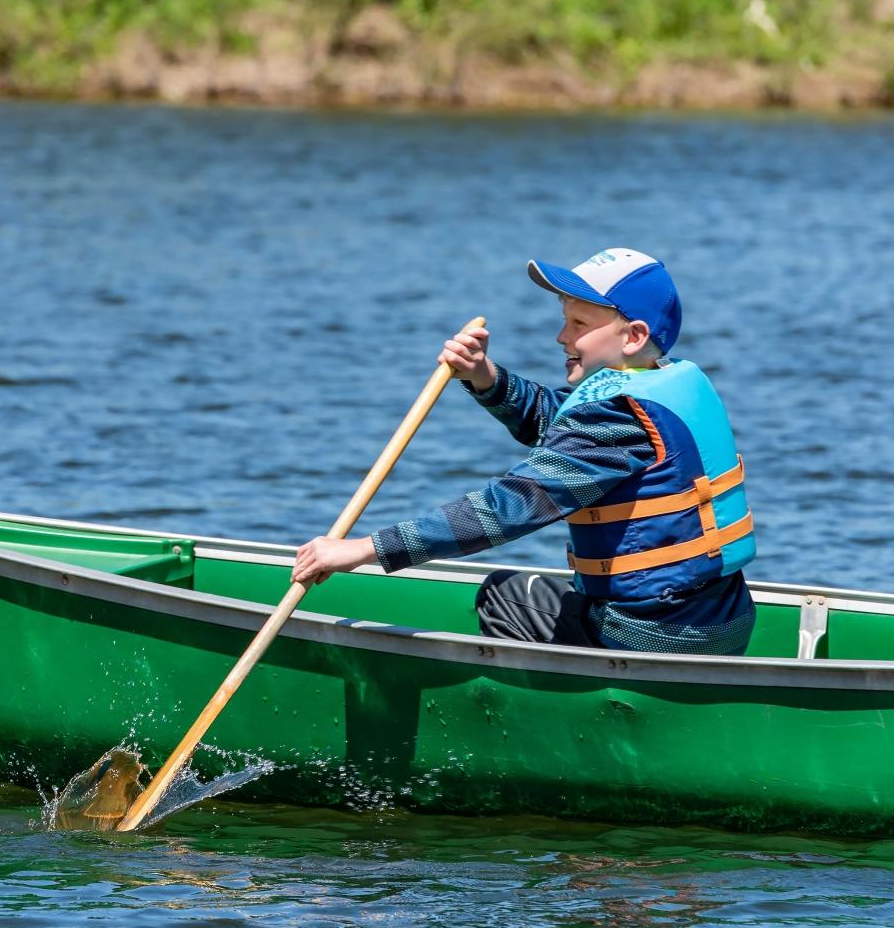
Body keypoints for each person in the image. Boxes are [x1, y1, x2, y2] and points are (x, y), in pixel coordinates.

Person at [290, 248, 757, 656]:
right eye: (564, 320)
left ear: (632, 336)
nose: (561, 337)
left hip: (654, 635)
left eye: (579, 324)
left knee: (505, 595)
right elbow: (564, 424)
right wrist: (485, 377)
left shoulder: (614, 416)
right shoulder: (660, 381)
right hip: (724, 617)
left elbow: (508, 510)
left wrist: (363, 549)